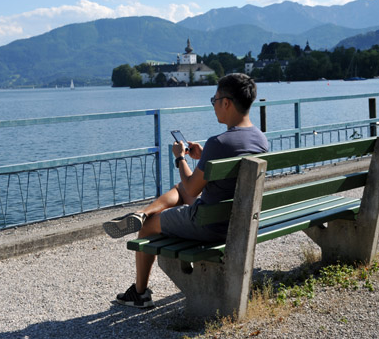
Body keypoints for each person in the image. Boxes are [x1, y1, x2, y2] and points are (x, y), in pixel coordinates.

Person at [103, 73, 269, 308]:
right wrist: (204, 159)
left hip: (211, 225)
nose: (213, 105)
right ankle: (142, 212)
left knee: (151, 225)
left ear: (226, 103)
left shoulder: (219, 142)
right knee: (179, 190)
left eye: (215, 99)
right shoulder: (260, 139)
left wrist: (180, 158)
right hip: (238, 219)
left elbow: (193, 185)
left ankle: (139, 293)